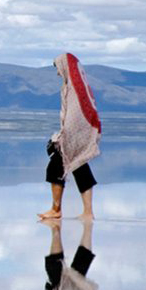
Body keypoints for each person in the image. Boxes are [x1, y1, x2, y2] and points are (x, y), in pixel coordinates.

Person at [38, 52, 101, 221]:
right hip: (79, 136)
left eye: (58, 68)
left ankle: (56, 209)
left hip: (73, 137)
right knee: (80, 168)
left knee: (55, 168)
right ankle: (88, 211)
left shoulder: (74, 90)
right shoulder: (77, 86)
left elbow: (74, 117)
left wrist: (63, 138)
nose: (58, 72)